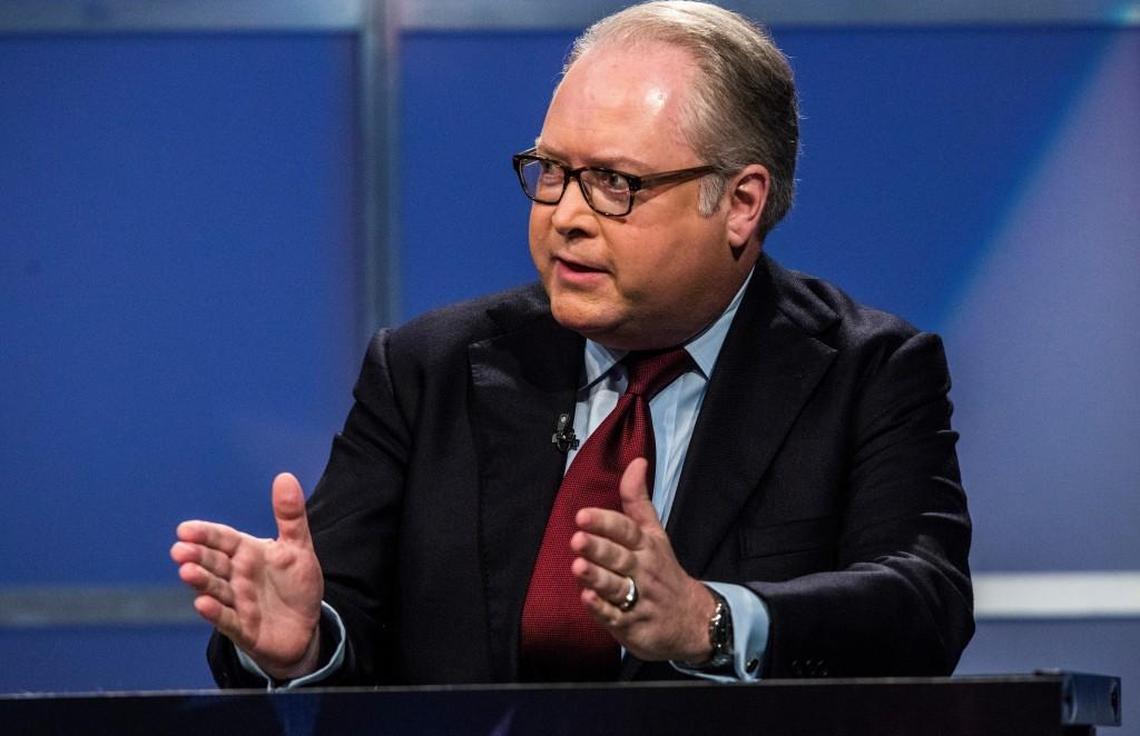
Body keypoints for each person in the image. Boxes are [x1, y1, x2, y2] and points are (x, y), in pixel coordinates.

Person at [170, 0, 972, 688]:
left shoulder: (867, 374)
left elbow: (924, 605)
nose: (567, 217)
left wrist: (711, 620)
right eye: (552, 172)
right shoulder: (428, 371)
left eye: (616, 183)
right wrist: (304, 645)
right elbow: (340, 616)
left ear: (740, 203)